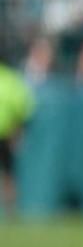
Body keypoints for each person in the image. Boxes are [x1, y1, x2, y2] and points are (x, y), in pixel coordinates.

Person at [0, 58, 34, 220]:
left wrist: (18, 131)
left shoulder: (11, 79)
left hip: (5, 134)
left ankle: (11, 212)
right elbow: (24, 107)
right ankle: (11, 213)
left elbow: (24, 107)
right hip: (7, 132)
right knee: (9, 175)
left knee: (8, 175)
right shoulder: (12, 79)